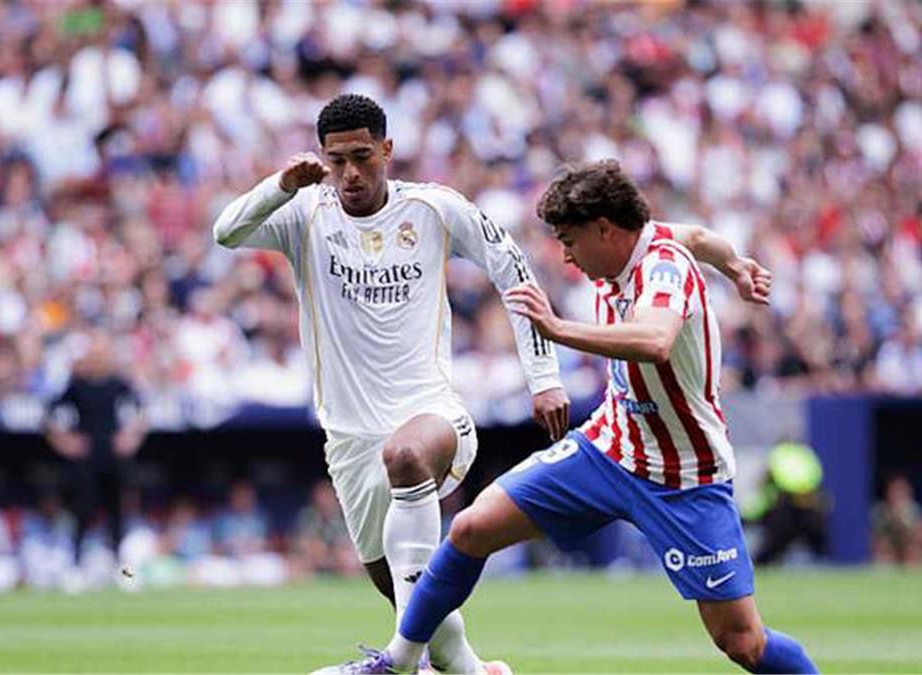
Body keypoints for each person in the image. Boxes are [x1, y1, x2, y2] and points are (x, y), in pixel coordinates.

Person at [217, 96, 769, 675]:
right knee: (414, 589)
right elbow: (227, 232)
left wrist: (544, 376)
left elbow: (513, 268)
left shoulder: (433, 208)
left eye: (362, 156)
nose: (350, 173)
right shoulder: (305, 214)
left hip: (432, 415)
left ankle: (396, 664)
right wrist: (281, 185)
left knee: (406, 458)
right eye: (337, 161)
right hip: (349, 436)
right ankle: (471, 670)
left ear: (387, 150)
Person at [337, 160, 817, 674]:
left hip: (682, 476)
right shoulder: (640, 242)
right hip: (610, 448)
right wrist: (735, 264)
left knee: (742, 642)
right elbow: (699, 236)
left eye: (570, 241)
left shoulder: (663, 268)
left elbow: (655, 340)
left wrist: (557, 328)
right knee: (472, 527)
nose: (566, 256)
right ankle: (398, 662)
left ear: (605, 229)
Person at [45, 328, 146, 565]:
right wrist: (64, 441)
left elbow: (142, 411)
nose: (99, 358)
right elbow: (49, 415)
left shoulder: (118, 383)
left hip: (112, 455)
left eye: (103, 353)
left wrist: (131, 437)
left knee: (117, 510)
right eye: (95, 353)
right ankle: (76, 564)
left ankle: (121, 566)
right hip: (86, 457)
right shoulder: (77, 385)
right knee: (82, 509)